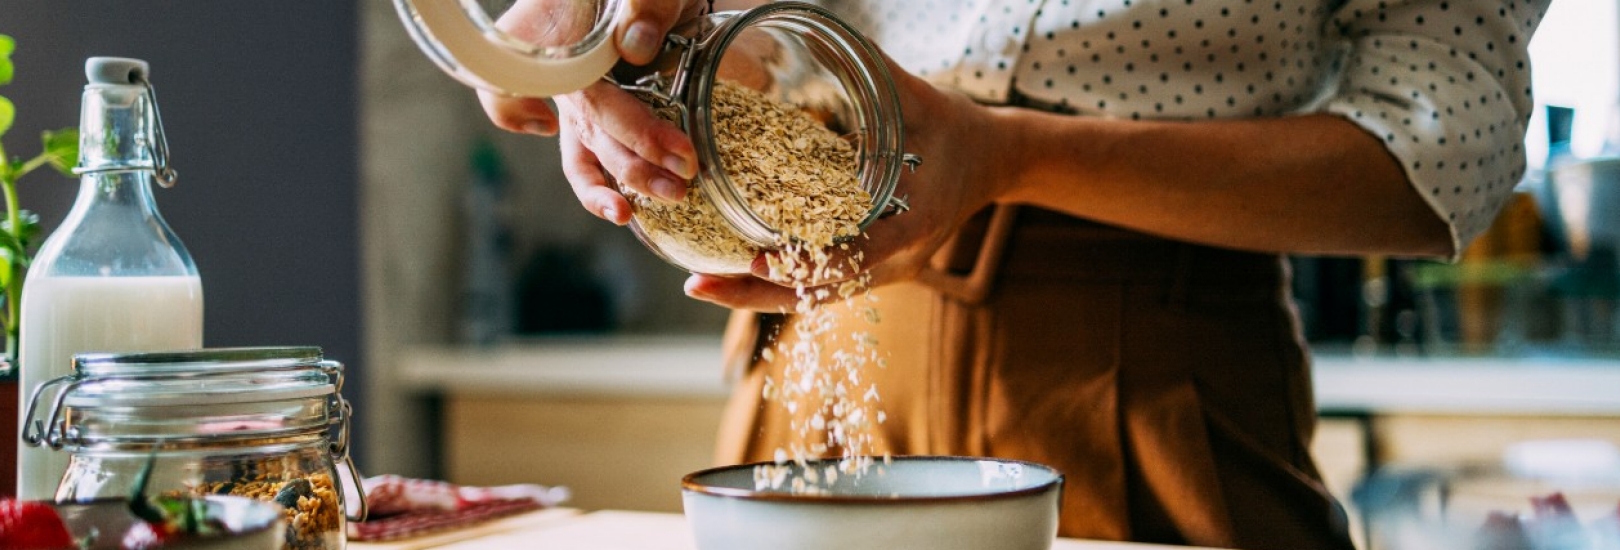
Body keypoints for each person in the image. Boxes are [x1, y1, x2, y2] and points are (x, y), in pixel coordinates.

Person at [480, 0, 1549, 547]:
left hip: (1149, 379)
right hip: (816, 335)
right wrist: (589, 47)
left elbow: (1436, 157)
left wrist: (1009, 154)